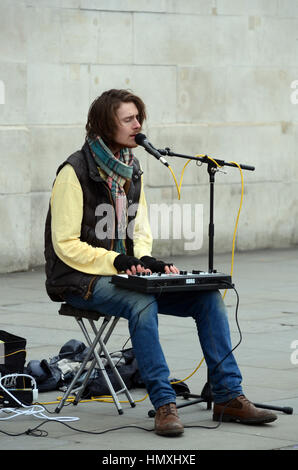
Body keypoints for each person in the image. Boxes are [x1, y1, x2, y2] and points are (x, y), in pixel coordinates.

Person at [45, 89, 277, 436]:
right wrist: (120, 261)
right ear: (106, 124)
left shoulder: (131, 168)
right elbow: (65, 245)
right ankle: (164, 404)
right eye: (128, 119)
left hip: (121, 271)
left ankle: (228, 395)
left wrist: (146, 261)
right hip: (80, 280)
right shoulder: (74, 172)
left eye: (139, 117)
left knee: (208, 297)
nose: (138, 124)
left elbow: (140, 227)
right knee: (141, 302)